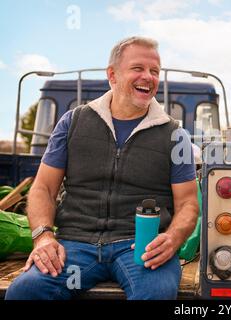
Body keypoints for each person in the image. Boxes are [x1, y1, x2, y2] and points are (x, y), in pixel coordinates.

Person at [5, 37, 199, 300]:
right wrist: (43, 237)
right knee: (25, 291)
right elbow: (43, 188)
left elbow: (188, 203)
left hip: (140, 248)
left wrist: (173, 238)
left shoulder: (174, 134)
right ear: (113, 74)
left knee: (155, 294)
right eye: (138, 68)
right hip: (74, 246)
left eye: (154, 71)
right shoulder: (73, 122)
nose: (148, 77)